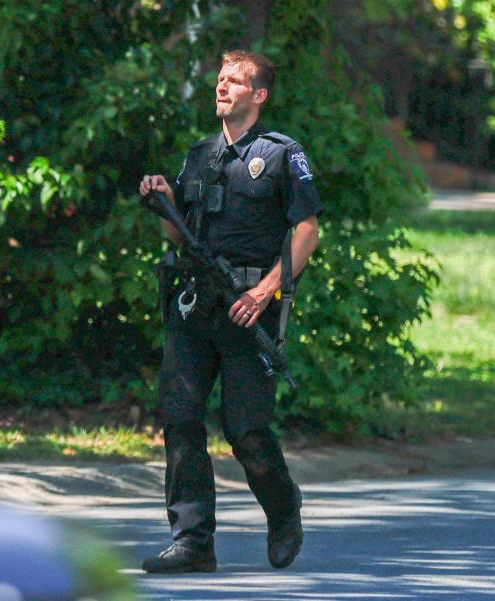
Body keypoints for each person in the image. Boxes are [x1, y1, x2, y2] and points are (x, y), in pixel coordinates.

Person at [138, 49, 323, 574]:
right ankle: (193, 541)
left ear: (258, 95)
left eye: (235, 81)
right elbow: (179, 234)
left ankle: (284, 507)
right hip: (195, 308)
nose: (222, 87)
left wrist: (264, 293)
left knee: (245, 430)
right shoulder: (199, 156)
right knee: (179, 419)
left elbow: (306, 232)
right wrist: (164, 199)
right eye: (220, 79)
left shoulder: (282, 154)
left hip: (250, 310)